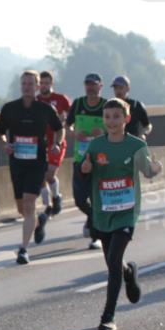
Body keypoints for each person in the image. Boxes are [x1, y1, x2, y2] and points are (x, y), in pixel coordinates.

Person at [80, 98, 162, 330]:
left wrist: (155, 169)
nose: (112, 121)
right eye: (107, 117)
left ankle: (108, 317)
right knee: (113, 262)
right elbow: (85, 170)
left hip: (126, 212)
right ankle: (128, 272)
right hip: (103, 213)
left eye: (116, 117)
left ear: (126, 119)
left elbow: (147, 171)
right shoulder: (95, 146)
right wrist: (85, 169)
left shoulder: (136, 146)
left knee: (113, 259)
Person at [0, 70, 64, 264]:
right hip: (17, 163)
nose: (27, 87)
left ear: (38, 86)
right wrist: (4, 145)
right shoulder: (9, 108)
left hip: (37, 163)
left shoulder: (45, 109)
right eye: (24, 84)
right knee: (23, 209)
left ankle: (23, 249)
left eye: (31, 84)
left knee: (28, 203)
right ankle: (36, 224)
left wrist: (57, 143)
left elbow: (59, 129)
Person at [66, 73, 106, 249]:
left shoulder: (106, 105)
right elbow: (67, 126)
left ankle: (96, 236)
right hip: (80, 158)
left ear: (100, 86)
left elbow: (117, 128)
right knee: (80, 200)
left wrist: (103, 133)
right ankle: (92, 217)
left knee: (97, 198)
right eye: (87, 84)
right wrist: (75, 133)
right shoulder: (78, 104)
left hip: (100, 160)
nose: (90, 88)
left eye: (93, 84)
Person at [36, 70, 71, 217]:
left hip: (56, 142)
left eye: (46, 83)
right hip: (40, 143)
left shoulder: (61, 99)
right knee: (40, 176)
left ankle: (56, 196)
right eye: (41, 83)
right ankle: (47, 206)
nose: (43, 86)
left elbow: (71, 116)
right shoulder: (35, 101)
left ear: (51, 83)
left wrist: (65, 121)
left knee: (49, 174)